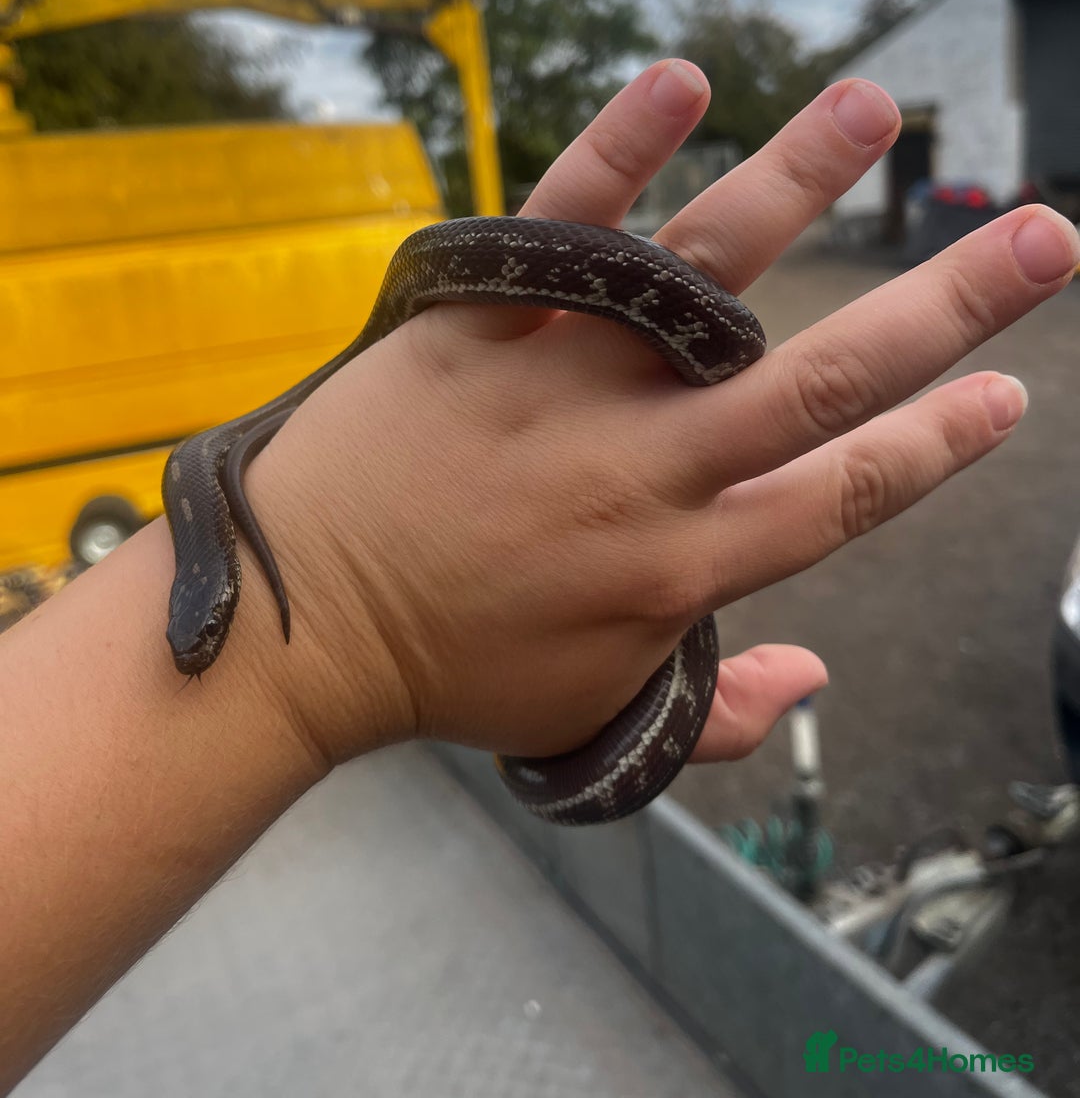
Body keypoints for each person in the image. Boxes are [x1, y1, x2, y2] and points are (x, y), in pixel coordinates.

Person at [0, 61, 1076, 1093]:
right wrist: (352, 612)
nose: (199, 643)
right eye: (204, 635)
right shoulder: (206, 500)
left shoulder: (210, 476)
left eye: (205, 629)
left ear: (216, 580)